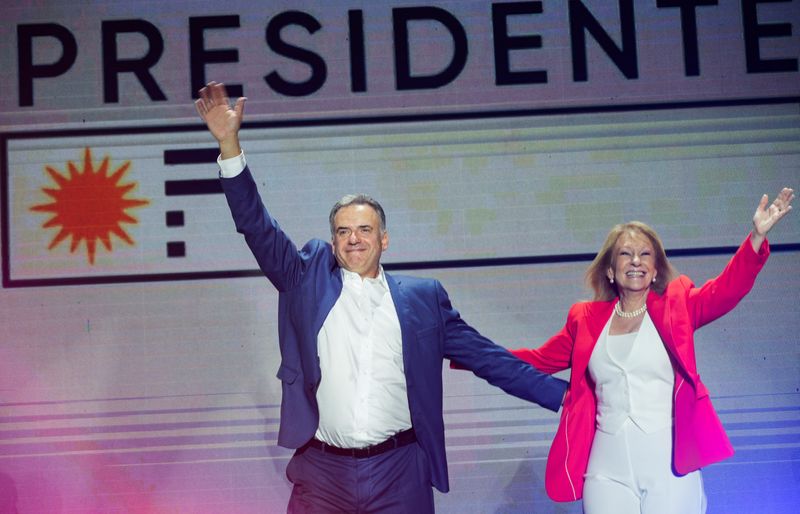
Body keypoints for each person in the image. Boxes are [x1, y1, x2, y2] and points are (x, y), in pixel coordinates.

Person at [194, 81, 568, 513]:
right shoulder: (303, 278)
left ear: (384, 239)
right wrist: (229, 145)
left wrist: (566, 397)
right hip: (323, 472)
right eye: (343, 231)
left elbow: (490, 359)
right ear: (333, 242)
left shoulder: (424, 299)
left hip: (400, 468)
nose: (354, 239)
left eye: (365, 230)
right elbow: (256, 227)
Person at [508, 188, 794, 514]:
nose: (636, 261)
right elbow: (535, 361)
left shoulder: (677, 306)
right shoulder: (585, 320)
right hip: (607, 465)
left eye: (645, 255)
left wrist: (756, 237)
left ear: (656, 270)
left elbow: (725, 290)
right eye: (625, 254)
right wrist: (460, 348)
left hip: (668, 461)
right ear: (610, 271)